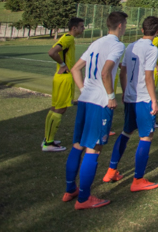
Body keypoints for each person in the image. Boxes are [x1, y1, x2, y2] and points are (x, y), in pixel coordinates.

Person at [62, 11, 127, 210]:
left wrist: (83, 90)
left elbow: (75, 69)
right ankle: (83, 198)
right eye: (124, 24)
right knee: (93, 147)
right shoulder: (117, 45)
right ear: (120, 26)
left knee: (77, 144)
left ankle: (70, 189)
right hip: (99, 102)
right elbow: (105, 72)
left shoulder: (96, 43)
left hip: (85, 100)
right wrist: (110, 96)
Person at [102, 16, 158, 192]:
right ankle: (138, 179)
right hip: (143, 99)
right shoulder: (152, 49)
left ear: (142, 30)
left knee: (126, 132)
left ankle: (111, 170)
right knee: (146, 136)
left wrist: (125, 91)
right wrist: (154, 100)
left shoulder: (130, 46)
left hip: (130, 97)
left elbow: (123, 72)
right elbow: (148, 76)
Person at [43, 17, 86, 151]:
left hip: (60, 77)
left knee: (55, 108)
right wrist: (63, 65)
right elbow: (52, 52)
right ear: (74, 28)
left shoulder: (66, 37)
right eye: (81, 26)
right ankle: (48, 143)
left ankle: (48, 139)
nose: (83, 29)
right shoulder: (68, 38)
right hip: (64, 78)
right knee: (60, 109)